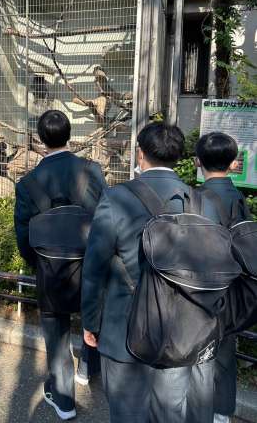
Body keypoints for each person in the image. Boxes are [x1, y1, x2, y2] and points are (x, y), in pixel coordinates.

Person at [82, 122, 220, 423]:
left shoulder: (116, 198)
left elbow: (94, 269)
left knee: (127, 414)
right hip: (184, 332)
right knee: (170, 413)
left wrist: (91, 322)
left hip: (124, 332)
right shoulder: (203, 204)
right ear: (179, 157)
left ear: (140, 154)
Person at [14, 110, 107, 420]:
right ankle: (87, 369)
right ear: (69, 135)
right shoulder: (92, 171)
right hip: (90, 263)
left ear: (41, 139)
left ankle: (64, 401)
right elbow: (106, 220)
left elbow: (24, 236)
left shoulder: (28, 183)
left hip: (49, 265)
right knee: (92, 315)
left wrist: (40, 263)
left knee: (56, 330)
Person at [195, 132, 247, 423]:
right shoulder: (239, 198)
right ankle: (222, 414)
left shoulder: (194, 197)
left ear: (198, 161)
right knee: (225, 355)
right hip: (232, 290)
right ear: (232, 163)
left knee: (195, 352)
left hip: (198, 290)